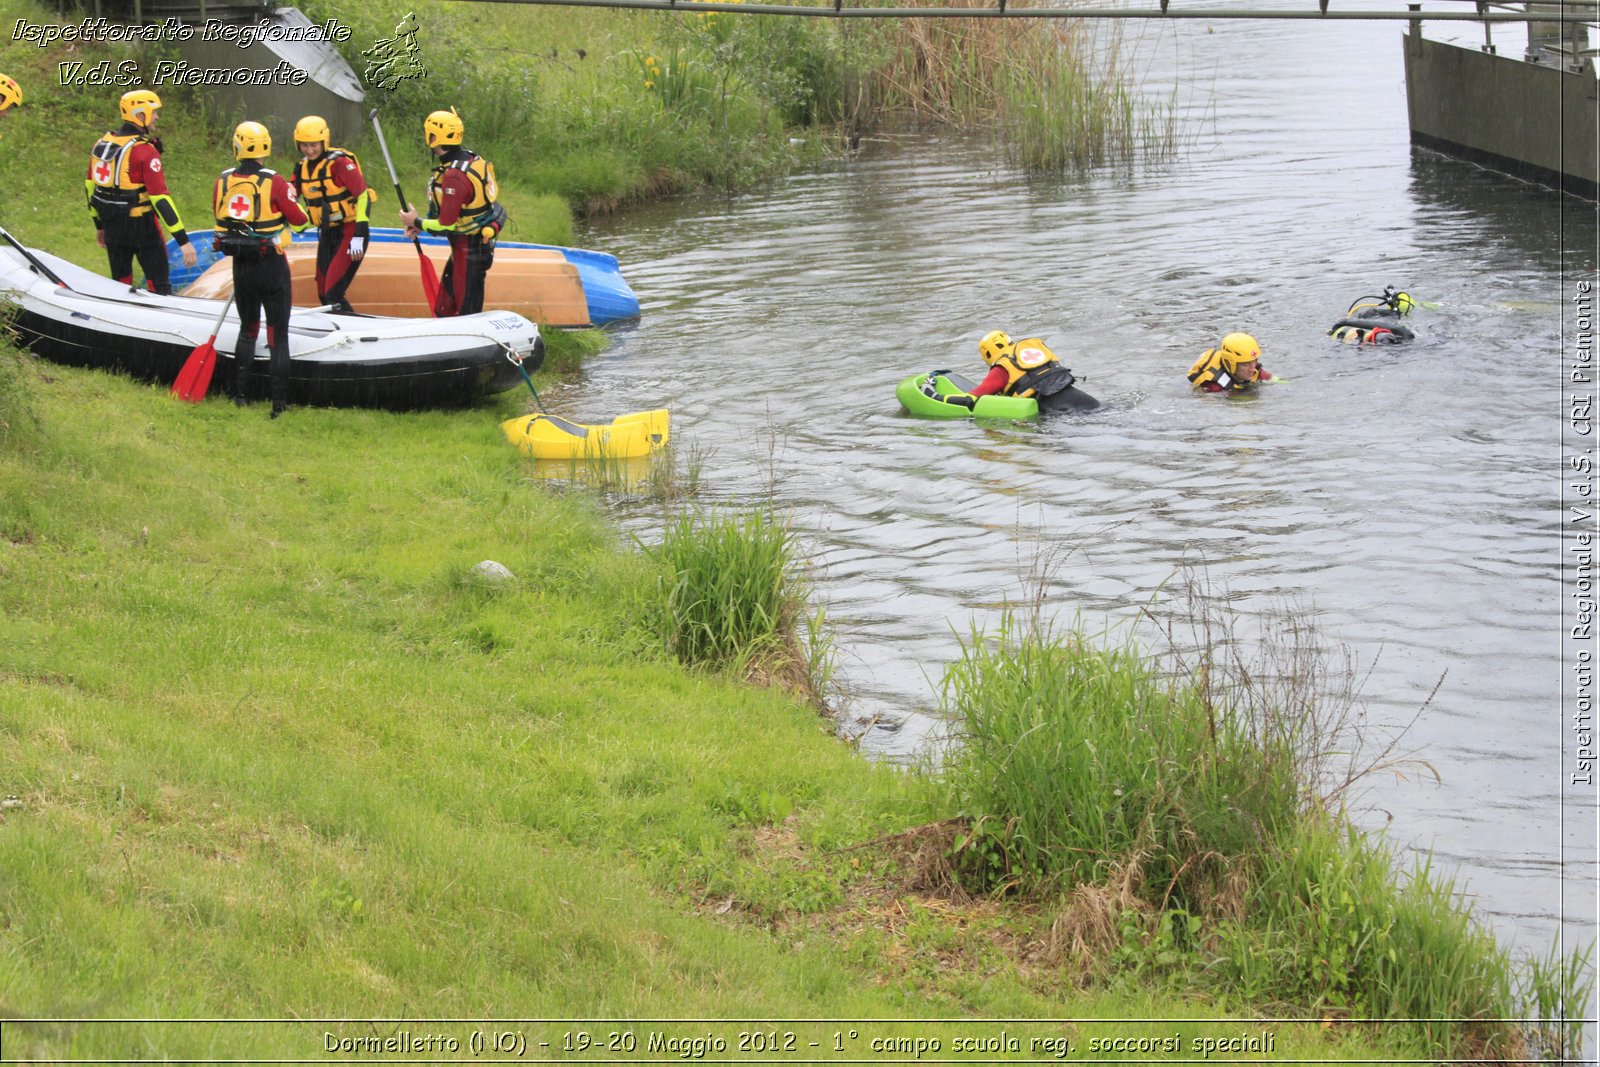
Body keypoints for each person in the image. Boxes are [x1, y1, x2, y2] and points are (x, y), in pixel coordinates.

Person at [212, 121, 308, 418]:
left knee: (247, 330)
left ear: (237, 146)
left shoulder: (223, 180)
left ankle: (241, 396)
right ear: (266, 146)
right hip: (271, 265)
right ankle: (278, 405)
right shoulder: (275, 181)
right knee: (277, 335)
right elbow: (301, 220)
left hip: (242, 266)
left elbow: (220, 224)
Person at [86, 89, 197, 294]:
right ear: (140, 115)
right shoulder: (145, 151)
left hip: (112, 225)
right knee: (160, 288)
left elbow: (90, 188)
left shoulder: (101, 144)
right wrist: (183, 241)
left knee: (120, 284)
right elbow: (160, 199)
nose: (157, 117)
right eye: (153, 112)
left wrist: (99, 225)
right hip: (142, 228)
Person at [398, 107, 506, 317]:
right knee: (444, 309)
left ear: (433, 138)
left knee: (467, 312)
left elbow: (445, 225)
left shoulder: (455, 176)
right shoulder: (471, 159)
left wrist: (416, 221)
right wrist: (421, 225)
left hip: (470, 250)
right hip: (462, 249)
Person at [290, 115, 373, 314]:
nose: (309, 150)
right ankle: (338, 330)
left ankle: (352, 333)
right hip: (328, 233)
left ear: (323, 141)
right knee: (323, 293)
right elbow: (290, 195)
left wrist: (359, 235)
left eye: (314, 145)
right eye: (304, 145)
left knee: (333, 293)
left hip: (351, 231)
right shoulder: (301, 167)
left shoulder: (340, 164)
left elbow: (363, 197)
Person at [965, 330, 1100, 412]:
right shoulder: (1028, 350)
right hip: (1083, 399)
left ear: (987, 355)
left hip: (1060, 410)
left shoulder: (1001, 368)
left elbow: (975, 395)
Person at [1188, 332, 1273, 393]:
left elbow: (1277, 381)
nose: (1252, 369)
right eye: (1245, 364)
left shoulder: (1255, 371)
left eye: (1253, 362)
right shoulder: (1214, 386)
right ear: (1229, 363)